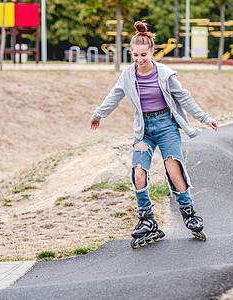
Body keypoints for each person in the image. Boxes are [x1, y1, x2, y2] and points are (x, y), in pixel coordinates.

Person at [90, 21, 218, 246]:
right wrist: (98, 114)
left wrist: (205, 118)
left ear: (152, 52)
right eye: (135, 55)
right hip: (144, 130)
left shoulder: (165, 74)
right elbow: (115, 95)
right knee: (139, 172)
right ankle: (147, 219)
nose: (139, 60)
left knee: (173, 169)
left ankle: (188, 213)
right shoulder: (128, 75)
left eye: (143, 55)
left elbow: (184, 97)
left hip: (166, 125)